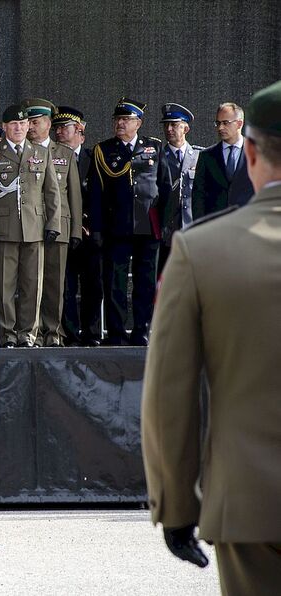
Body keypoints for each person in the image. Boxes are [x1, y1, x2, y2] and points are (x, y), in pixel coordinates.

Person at [141, 79, 281, 596]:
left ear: (251, 151)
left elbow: (168, 396)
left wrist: (176, 507)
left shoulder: (201, 251)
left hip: (250, 502)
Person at [0, 104, 60, 347]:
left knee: (33, 285)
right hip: (3, 229)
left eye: (23, 124)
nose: (19, 128)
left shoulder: (40, 153)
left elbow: (52, 193)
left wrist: (53, 224)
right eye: (14, 124)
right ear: (4, 127)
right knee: (4, 286)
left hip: (34, 228)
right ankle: (8, 334)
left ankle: (28, 334)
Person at [88, 97, 170, 346]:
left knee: (145, 282)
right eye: (117, 119)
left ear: (138, 123)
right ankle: (116, 332)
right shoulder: (104, 150)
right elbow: (96, 193)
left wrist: (165, 224)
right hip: (117, 225)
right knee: (115, 282)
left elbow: (165, 187)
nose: (120, 124)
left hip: (148, 224)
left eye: (125, 119)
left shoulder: (154, 147)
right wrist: (97, 228)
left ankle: (142, 330)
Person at [23, 98, 82, 347]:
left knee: (55, 283)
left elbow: (74, 195)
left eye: (35, 122)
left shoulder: (64, 154)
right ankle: (31, 332)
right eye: (28, 122)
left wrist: (76, 228)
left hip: (60, 227)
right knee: (29, 281)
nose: (30, 127)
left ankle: (53, 332)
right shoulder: (22, 152)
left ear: (48, 123)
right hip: (29, 226)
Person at [55, 107, 103, 346]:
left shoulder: (94, 157)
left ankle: (92, 333)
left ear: (80, 132)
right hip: (64, 231)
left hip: (90, 232)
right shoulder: (51, 159)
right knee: (66, 286)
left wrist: (89, 225)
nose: (60, 132)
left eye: (65, 128)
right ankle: (71, 334)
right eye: (58, 128)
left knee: (93, 285)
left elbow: (100, 196)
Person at [191, 102, 254, 221]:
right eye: (218, 123)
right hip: (215, 227)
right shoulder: (206, 156)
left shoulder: (256, 153)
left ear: (239, 123)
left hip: (247, 225)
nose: (220, 128)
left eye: (225, 123)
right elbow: (198, 196)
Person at [158, 103, 202, 272]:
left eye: (174, 124)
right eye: (166, 125)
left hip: (192, 229)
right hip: (167, 232)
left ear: (186, 129)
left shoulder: (200, 156)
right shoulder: (157, 156)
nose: (169, 128)